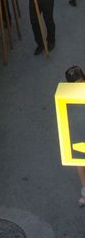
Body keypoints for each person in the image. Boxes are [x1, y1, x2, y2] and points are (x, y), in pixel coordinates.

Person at [64, 66, 85, 206]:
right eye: (75, 85)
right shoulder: (66, 98)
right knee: (79, 163)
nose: (79, 86)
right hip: (79, 134)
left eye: (81, 82)